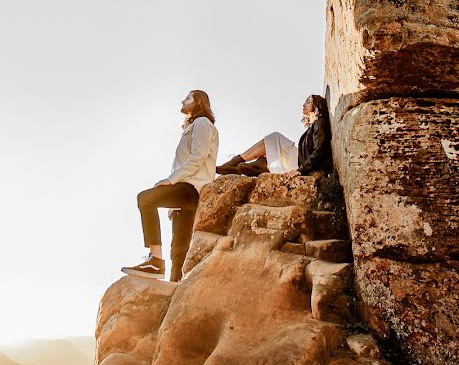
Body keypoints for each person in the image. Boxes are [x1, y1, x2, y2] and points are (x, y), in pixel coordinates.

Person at [121, 89, 219, 281]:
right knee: (179, 252)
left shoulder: (202, 123)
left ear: (199, 102)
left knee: (146, 199)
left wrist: (170, 181)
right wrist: (174, 201)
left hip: (192, 189)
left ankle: (155, 260)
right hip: (186, 193)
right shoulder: (192, 127)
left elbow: (197, 158)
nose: (183, 100)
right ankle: (175, 292)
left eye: (188, 98)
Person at [216, 94, 332, 178]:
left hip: (301, 163)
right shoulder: (312, 128)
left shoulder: (320, 123)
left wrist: (301, 170)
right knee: (272, 144)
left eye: (308, 102)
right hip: (299, 159)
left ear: (316, 105)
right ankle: (260, 165)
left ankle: (235, 163)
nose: (304, 104)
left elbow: (319, 150)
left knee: (274, 138)